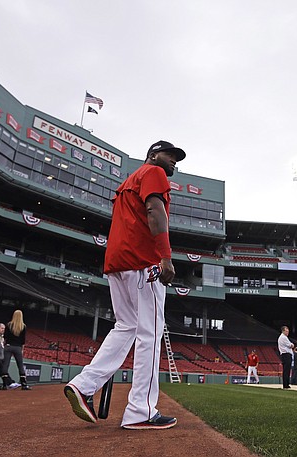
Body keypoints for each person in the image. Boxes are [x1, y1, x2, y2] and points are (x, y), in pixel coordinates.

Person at [64, 140, 185, 430]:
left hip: (118, 263)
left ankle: (84, 384)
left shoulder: (129, 180)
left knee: (127, 327)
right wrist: (166, 257)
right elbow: (155, 212)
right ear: (154, 154)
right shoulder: (152, 172)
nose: (175, 163)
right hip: (144, 262)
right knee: (150, 333)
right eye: (171, 156)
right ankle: (140, 411)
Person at [3, 309, 32, 390]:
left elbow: (5, 337)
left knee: (5, 365)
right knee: (20, 366)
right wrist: (22, 349)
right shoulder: (23, 326)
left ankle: (5, 384)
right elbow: (23, 340)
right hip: (18, 347)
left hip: (8, 346)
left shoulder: (9, 325)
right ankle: (24, 384)